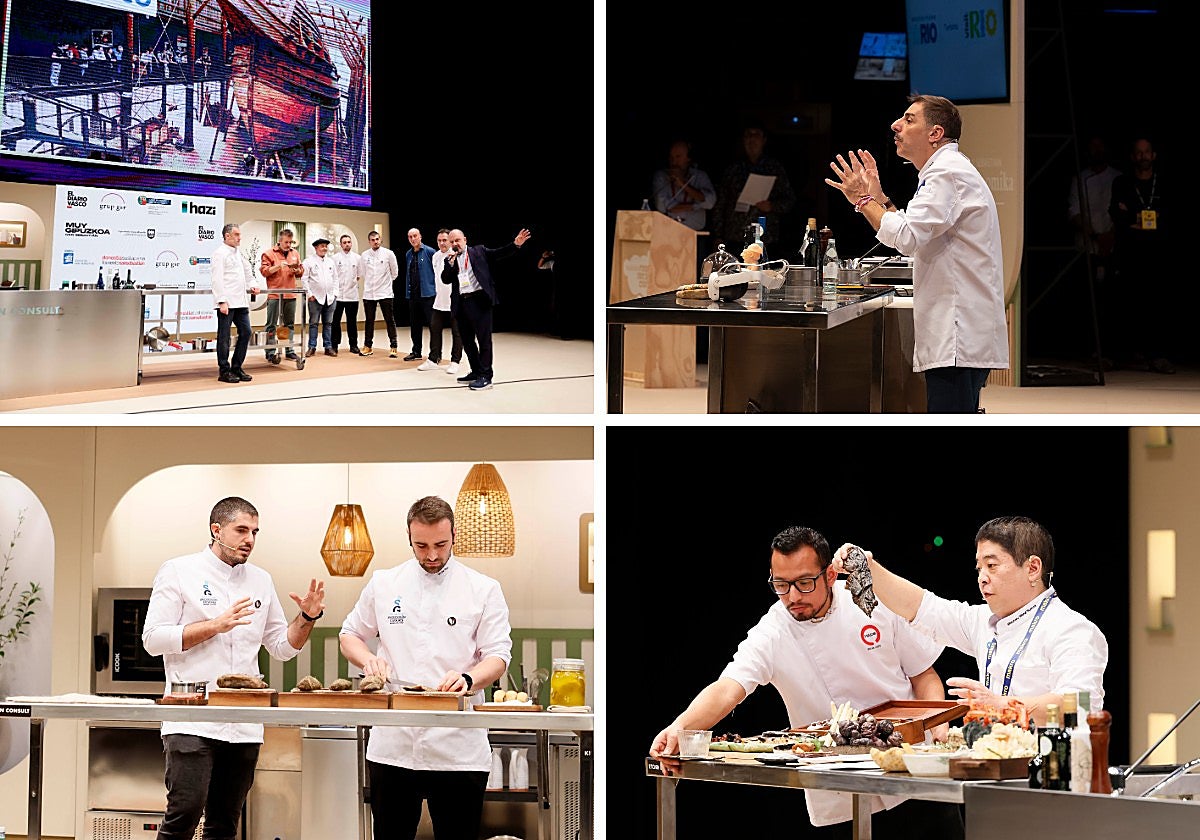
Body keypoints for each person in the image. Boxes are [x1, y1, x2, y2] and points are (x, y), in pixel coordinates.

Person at [649, 525, 962, 838]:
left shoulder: (873, 602)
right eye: (781, 585)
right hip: (839, 793)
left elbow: (925, 677)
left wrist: (937, 736)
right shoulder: (773, 629)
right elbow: (727, 688)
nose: (793, 596)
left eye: (804, 582)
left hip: (914, 778)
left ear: (829, 576)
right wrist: (680, 727)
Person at [142, 496, 326, 840]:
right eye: (242, 530)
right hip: (191, 717)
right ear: (216, 530)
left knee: (224, 824)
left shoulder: (261, 580)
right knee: (184, 814)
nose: (250, 540)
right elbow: (152, 639)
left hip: (244, 725)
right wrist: (215, 625)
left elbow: (282, 647)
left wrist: (307, 617)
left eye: (255, 532)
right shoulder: (179, 570)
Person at [338, 495, 512, 840]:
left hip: (458, 750)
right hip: (393, 746)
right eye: (421, 546)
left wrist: (468, 677)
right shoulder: (385, 583)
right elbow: (350, 635)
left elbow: (498, 656)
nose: (431, 555)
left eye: (440, 545)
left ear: (454, 535)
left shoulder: (483, 589)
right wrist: (367, 659)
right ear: (409, 537)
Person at [825, 94, 1009, 413]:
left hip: (957, 333)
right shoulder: (946, 171)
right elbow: (917, 232)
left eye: (909, 119)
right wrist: (880, 199)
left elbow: (907, 237)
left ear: (935, 133)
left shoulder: (947, 173)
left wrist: (862, 199)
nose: (896, 125)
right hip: (959, 331)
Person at [831, 515, 1108, 725]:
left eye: (992, 565)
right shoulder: (982, 619)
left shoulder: (1072, 630)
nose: (982, 577)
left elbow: (1081, 705)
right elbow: (921, 607)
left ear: (1033, 568)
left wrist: (1002, 705)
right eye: (979, 568)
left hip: (1052, 778)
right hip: (993, 770)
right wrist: (869, 567)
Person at [1109, 136, 1173, 374]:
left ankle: (1158, 355)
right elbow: (1116, 210)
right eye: (1138, 152)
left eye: (1147, 152)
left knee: (1157, 305)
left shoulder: (1164, 183)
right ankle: (1124, 355)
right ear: (1132, 156)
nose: (1143, 156)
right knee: (1127, 304)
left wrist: (1134, 214)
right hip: (1130, 253)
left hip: (1158, 254)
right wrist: (1133, 218)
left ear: (1154, 155)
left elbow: (1169, 213)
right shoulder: (1122, 182)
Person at [440, 226, 532, 391]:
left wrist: (515, 244)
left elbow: (499, 253)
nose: (455, 244)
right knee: (467, 341)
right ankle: (476, 371)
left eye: (457, 240)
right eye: (452, 241)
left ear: (465, 240)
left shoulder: (478, 251)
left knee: (484, 341)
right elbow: (445, 280)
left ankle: (486, 376)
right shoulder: (450, 259)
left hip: (479, 301)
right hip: (461, 303)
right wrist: (451, 264)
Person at [1068, 135, 1122, 371]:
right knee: (1088, 303)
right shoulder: (1080, 179)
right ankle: (1091, 351)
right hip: (1088, 247)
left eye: (1101, 147)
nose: (1097, 152)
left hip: (1114, 247)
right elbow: (1074, 211)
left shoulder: (1117, 177)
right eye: (1093, 148)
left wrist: (1110, 236)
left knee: (1112, 302)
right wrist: (1095, 235)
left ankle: (1113, 352)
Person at [711, 121, 796, 254]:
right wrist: (718, 235)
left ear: (764, 140)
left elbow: (789, 200)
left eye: (756, 135)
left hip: (765, 238)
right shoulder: (733, 169)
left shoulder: (774, 168)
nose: (751, 139)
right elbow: (720, 204)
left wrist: (772, 206)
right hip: (735, 236)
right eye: (748, 135)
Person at [209, 223, 259, 383]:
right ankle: (224, 371)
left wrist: (253, 284)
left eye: (240, 234)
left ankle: (236, 367)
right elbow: (216, 279)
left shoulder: (238, 254)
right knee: (224, 337)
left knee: (246, 332)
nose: (240, 238)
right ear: (227, 236)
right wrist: (221, 301)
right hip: (227, 303)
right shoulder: (219, 253)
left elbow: (247, 272)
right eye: (236, 234)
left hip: (241, 302)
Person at [260, 228, 304, 365]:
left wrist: (297, 270)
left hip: (290, 294)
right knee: (271, 325)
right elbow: (264, 272)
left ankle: (289, 350)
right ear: (279, 241)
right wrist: (278, 266)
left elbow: (301, 271)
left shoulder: (295, 253)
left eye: (291, 242)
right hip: (274, 295)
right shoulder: (268, 254)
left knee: (288, 324)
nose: (289, 245)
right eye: (286, 242)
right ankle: (271, 352)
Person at [652, 139, 717, 232]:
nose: (674, 162)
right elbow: (662, 206)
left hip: (695, 233)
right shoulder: (661, 176)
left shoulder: (700, 176)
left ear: (689, 158)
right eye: (671, 157)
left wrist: (683, 184)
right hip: (668, 232)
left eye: (678, 157)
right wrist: (696, 206)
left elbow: (710, 202)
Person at [425, 228, 463, 374]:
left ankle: (455, 361)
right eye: (439, 240)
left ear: (450, 241)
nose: (442, 243)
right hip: (439, 301)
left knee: (457, 332)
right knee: (434, 329)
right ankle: (433, 359)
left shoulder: (457, 255)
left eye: (444, 240)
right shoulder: (435, 256)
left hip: (455, 301)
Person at [400, 227, 438, 363]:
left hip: (428, 294)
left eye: (415, 236)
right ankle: (416, 351)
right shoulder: (408, 254)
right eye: (410, 237)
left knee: (433, 325)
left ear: (420, 236)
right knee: (415, 325)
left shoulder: (429, 252)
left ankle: (435, 354)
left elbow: (436, 272)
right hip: (413, 295)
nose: (413, 239)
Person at [360, 230, 399, 357]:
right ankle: (368, 346)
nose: (375, 242)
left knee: (389, 320)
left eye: (377, 239)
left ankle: (393, 346)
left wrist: (385, 283)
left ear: (380, 240)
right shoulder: (364, 255)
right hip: (369, 293)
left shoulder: (389, 253)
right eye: (373, 240)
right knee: (369, 320)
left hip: (385, 292)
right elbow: (363, 273)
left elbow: (395, 272)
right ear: (369, 242)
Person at [301, 237, 338, 357]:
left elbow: (336, 279)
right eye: (322, 246)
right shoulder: (308, 261)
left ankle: (328, 347)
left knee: (328, 324)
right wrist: (309, 294)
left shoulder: (331, 261)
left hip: (330, 298)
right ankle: (312, 347)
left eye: (326, 246)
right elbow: (304, 279)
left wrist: (335, 293)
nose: (324, 248)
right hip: (315, 298)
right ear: (316, 248)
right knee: (313, 323)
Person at [331, 233, 363, 355]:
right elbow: (333, 276)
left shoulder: (357, 258)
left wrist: (352, 283)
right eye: (344, 242)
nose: (347, 244)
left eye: (348, 242)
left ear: (351, 243)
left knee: (352, 322)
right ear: (340, 244)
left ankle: (353, 345)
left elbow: (359, 275)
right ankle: (334, 345)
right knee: (335, 321)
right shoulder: (335, 258)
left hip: (352, 295)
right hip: (338, 295)